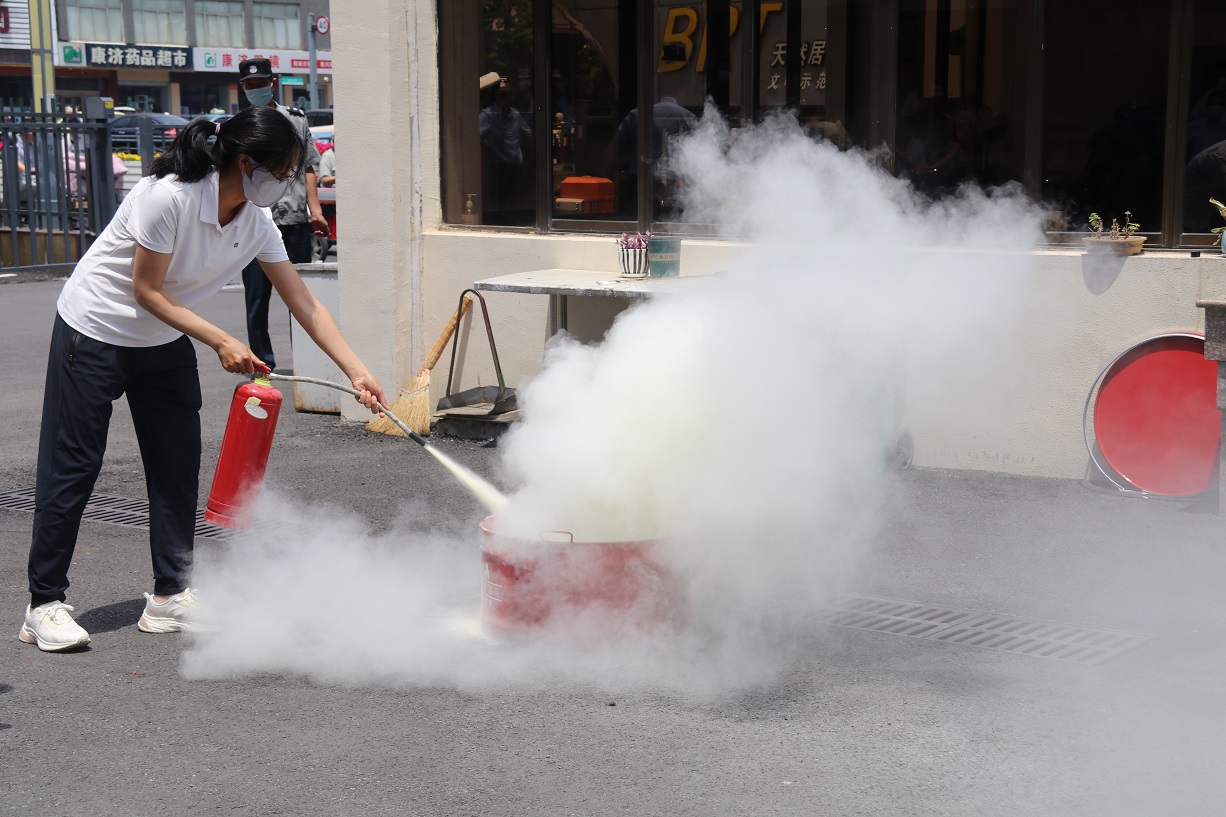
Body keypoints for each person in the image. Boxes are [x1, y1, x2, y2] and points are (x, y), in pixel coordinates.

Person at [18, 105, 386, 652]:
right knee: (73, 466)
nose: (287, 181)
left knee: (176, 466)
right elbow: (147, 291)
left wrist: (358, 372)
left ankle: (169, 595)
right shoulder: (168, 197)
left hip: (163, 338)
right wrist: (221, 339)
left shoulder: (256, 222)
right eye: (283, 171)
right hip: (95, 330)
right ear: (246, 163)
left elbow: (305, 304)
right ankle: (43, 604)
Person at [236, 57, 329, 371]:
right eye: (249, 85)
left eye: (260, 83)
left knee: (300, 300)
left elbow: (309, 167)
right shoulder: (240, 125)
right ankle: (264, 366)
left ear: (272, 83)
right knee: (256, 301)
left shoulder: (295, 119)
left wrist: (316, 211)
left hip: (293, 222)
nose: (255, 89)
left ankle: (305, 362)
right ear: (242, 87)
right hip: (254, 224)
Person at [479, 71, 533, 225]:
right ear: (496, 96)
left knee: (515, 199)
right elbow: (476, 136)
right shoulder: (488, 115)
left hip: (516, 166)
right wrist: (490, 151)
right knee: (499, 200)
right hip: (498, 166)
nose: (507, 98)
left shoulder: (515, 114)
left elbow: (528, 134)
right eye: (503, 95)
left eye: (509, 94)